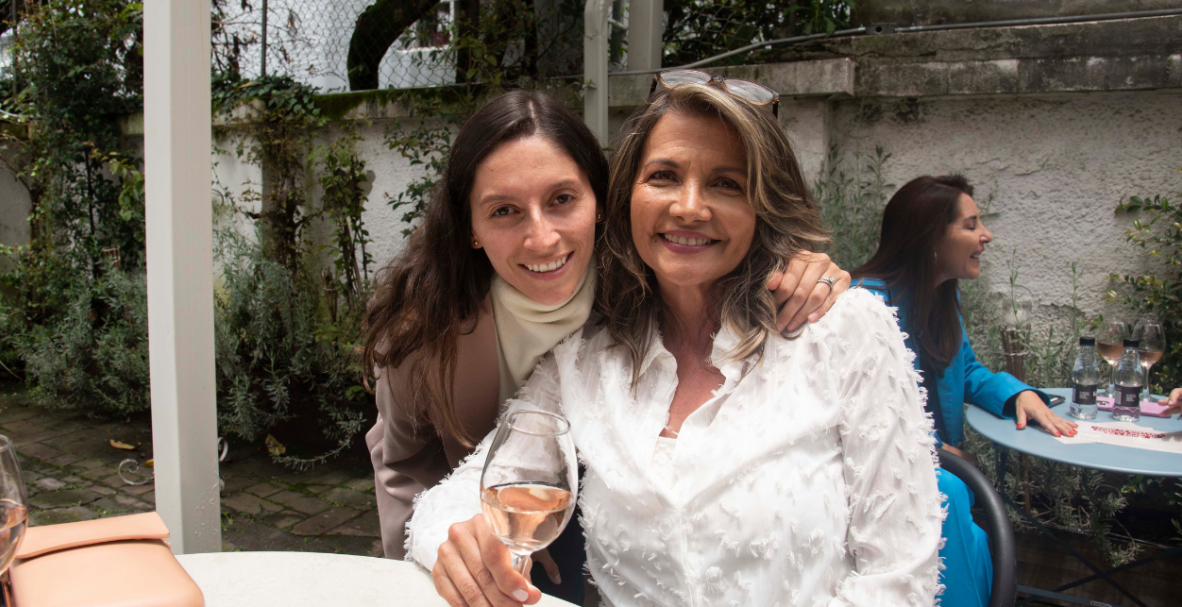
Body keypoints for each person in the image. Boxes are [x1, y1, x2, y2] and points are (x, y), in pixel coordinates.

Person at [406, 80, 944, 607]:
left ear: (764, 204)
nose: (689, 207)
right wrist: (457, 543)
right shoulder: (585, 360)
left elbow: (901, 579)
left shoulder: (845, 331)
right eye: (664, 176)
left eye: (726, 183)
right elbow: (459, 495)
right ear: (627, 197)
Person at [852, 175, 1078, 607]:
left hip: (942, 475)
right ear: (930, 238)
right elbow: (860, 413)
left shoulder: (941, 299)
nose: (985, 236)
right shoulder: (865, 306)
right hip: (889, 479)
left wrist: (1015, 394)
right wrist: (931, 449)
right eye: (971, 225)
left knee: (972, 534)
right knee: (958, 508)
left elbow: (966, 371)